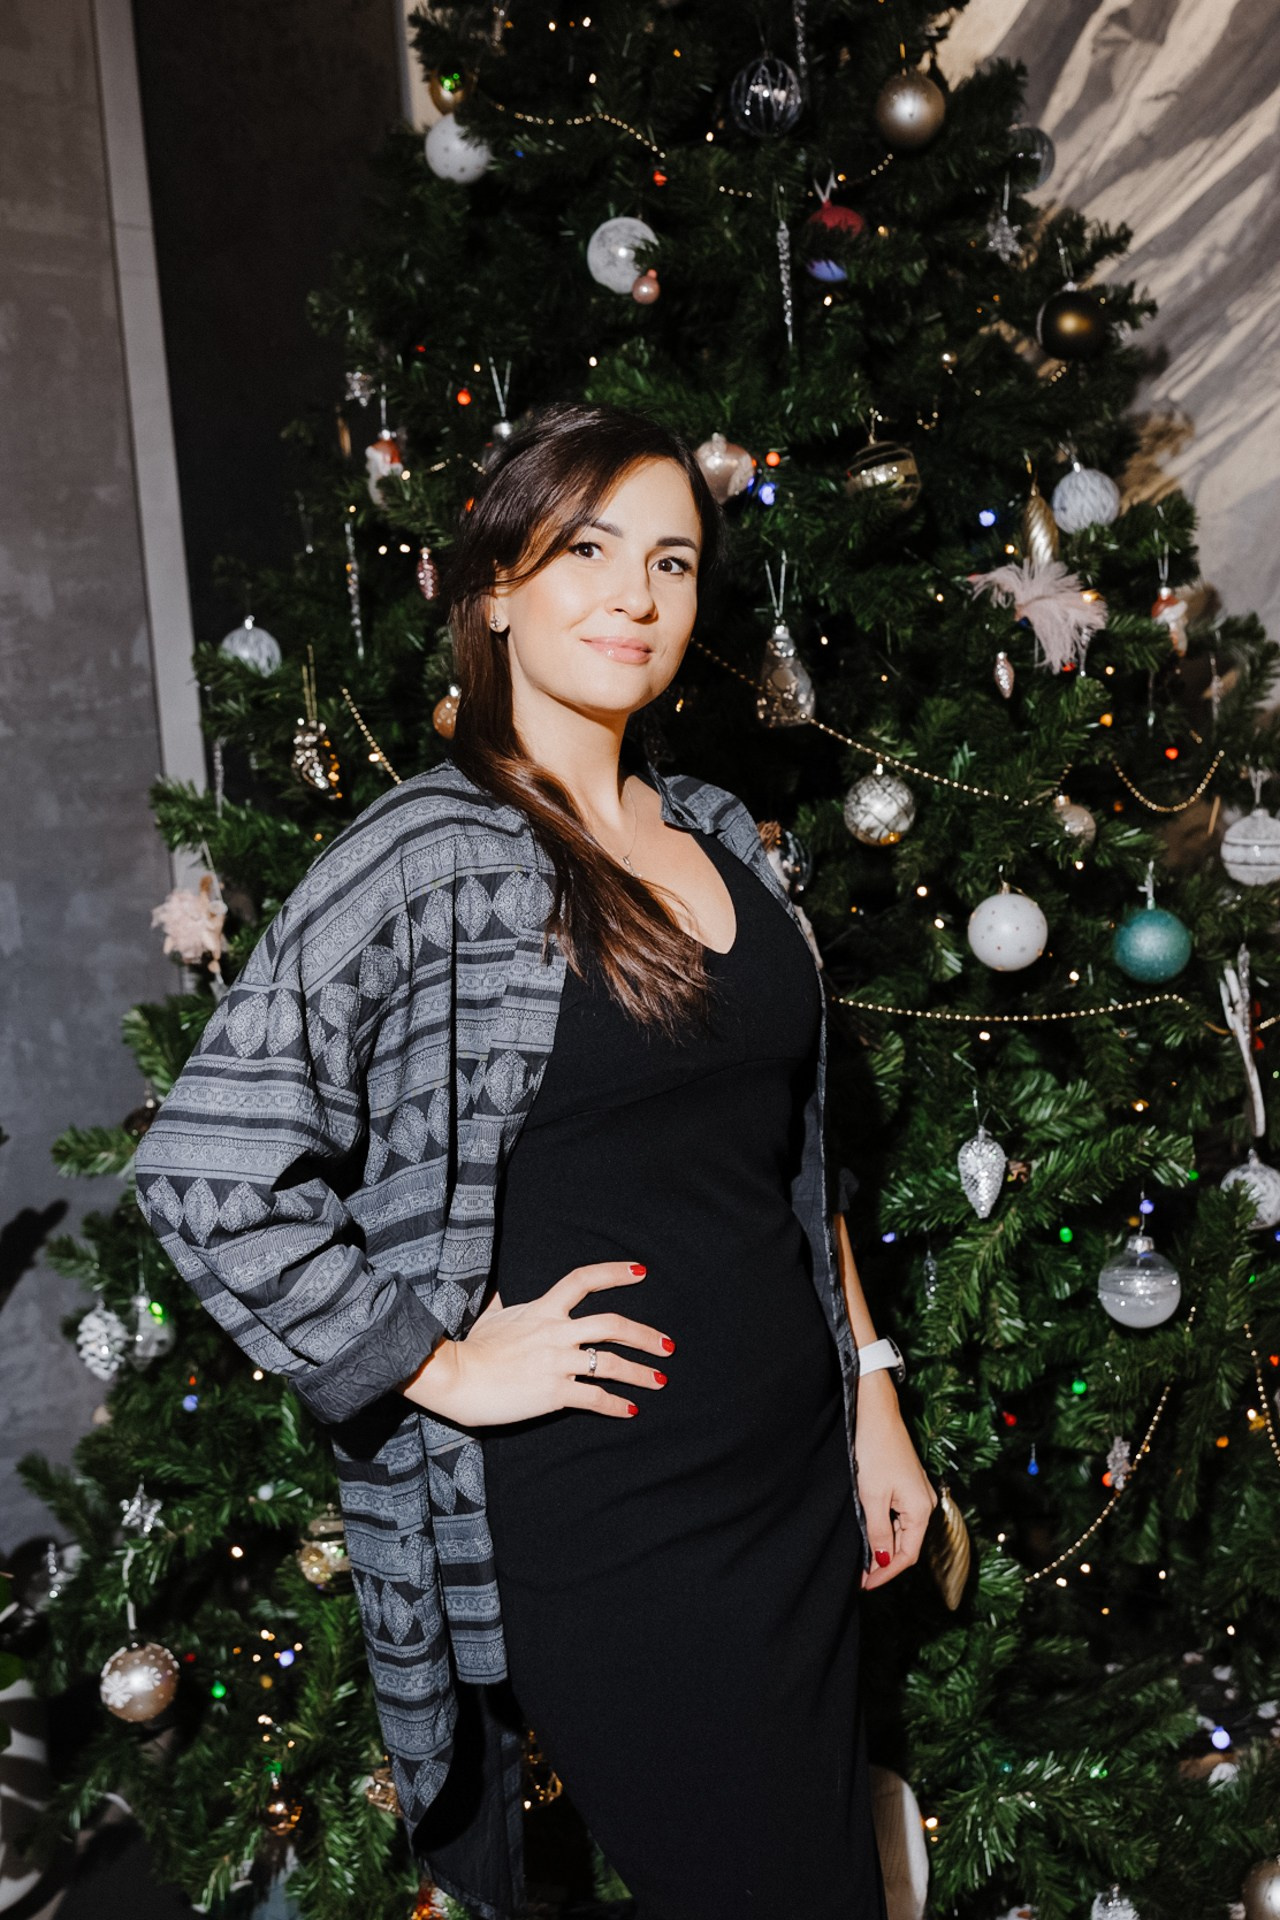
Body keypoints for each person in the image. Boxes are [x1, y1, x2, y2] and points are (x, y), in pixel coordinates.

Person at [135, 402, 937, 1920]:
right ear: (497, 587)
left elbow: (792, 1153)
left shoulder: (721, 829)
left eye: (673, 562)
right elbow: (203, 1169)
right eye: (589, 551)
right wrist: (433, 1363)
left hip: (794, 1477)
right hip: (616, 1517)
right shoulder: (429, 854)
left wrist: (872, 1395)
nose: (638, 596)